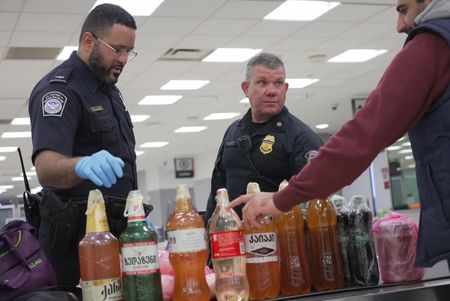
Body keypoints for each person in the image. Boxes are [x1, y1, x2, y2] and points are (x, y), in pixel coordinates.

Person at [230, 0, 450, 270]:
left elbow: (363, 136)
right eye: (262, 83)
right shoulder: (234, 133)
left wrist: (280, 199)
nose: (400, 26)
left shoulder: (433, 46)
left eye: (403, 10)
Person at [28, 3, 139, 286]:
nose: (124, 59)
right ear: (89, 41)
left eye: (129, 51)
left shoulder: (109, 91)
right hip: (74, 248)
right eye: (118, 49)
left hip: (111, 235)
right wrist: (83, 165)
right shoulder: (59, 90)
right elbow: (46, 167)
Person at [204, 52, 323, 225]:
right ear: (246, 88)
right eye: (262, 83)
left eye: (278, 83)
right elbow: (218, 187)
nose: (272, 91)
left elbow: (314, 196)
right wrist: (208, 231)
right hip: (231, 240)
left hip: (278, 238)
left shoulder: (301, 137)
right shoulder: (233, 132)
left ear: (286, 88)